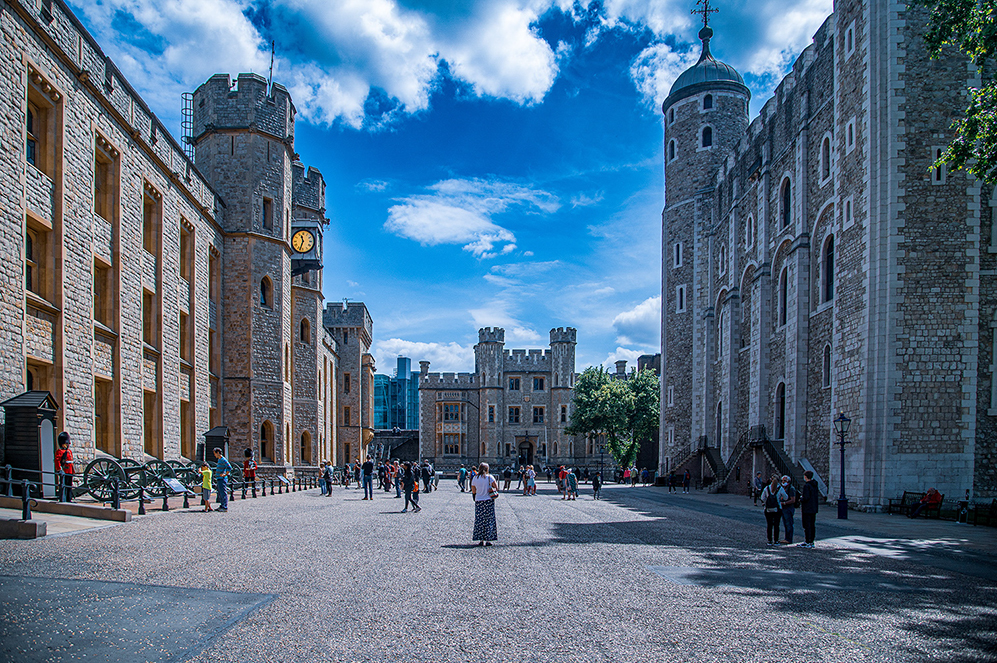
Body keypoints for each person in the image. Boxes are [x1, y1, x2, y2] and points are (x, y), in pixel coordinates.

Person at [470, 462, 499, 546]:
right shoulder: (490, 477)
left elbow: (473, 491)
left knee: (480, 520)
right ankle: (488, 540)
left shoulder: (475, 478)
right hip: (488, 501)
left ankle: (481, 540)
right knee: (489, 520)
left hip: (479, 501)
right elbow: (496, 488)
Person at [799, 470, 819, 548]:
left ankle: (808, 541)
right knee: (812, 525)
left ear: (806, 477)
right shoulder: (815, 485)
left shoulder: (807, 486)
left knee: (807, 525)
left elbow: (806, 497)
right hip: (813, 508)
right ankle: (811, 541)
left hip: (807, 508)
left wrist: (801, 499)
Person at [759, 475, 781, 545]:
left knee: (769, 525)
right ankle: (776, 540)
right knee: (776, 525)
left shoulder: (767, 488)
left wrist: (766, 502)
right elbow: (786, 497)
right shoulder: (780, 488)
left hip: (768, 509)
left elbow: (762, 498)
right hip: (777, 509)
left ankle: (769, 540)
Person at [54, 432, 74, 502]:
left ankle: (69, 499)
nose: (68, 444)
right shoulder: (60, 451)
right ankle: (63, 498)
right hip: (65, 470)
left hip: (70, 471)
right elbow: (57, 461)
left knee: (69, 485)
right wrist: (59, 469)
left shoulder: (69, 451)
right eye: (66, 443)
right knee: (64, 485)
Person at [777, 475, 796, 544]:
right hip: (784, 508)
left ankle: (789, 539)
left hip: (788, 508)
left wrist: (784, 503)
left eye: (784, 480)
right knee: (786, 524)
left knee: (789, 524)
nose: (783, 482)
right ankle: (786, 538)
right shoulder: (784, 488)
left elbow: (793, 500)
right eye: (782, 481)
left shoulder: (791, 489)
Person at [213, 447, 231, 512]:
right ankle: (222, 505)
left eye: (215, 453)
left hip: (222, 479)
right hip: (219, 478)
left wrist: (225, 474)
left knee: (223, 493)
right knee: (220, 493)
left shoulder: (223, 459)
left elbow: (229, 467)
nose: (214, 455)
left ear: (218, 453)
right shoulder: (220, 460)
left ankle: (224, 506)